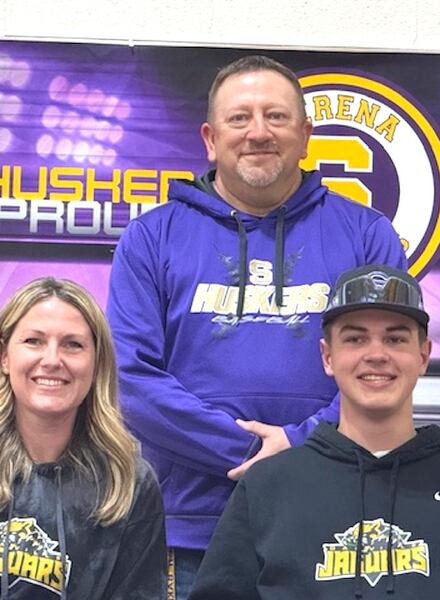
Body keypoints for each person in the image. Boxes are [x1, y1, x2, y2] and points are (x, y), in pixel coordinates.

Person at [106, 55, 407, 597]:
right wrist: (250, 454)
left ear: (306, 134)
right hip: (193, 526)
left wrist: (300, 446)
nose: (258, 133)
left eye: (276, 117)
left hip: (333, 516)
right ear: (210, 136)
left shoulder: (367, 236)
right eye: (240, 118)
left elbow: (387, 367)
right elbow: (129, 379)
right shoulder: (151, 239)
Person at [187, 264, 440, 599]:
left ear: (423, 355)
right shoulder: (268, 485)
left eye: (395, 339)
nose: (376, 354)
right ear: (328, 357)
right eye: (356, 339)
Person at [0, 277, 166, 599]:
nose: (51, 360)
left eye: (72, 344)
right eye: (33, 341)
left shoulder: (129, 482)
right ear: (5, 357)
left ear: (96, 361)